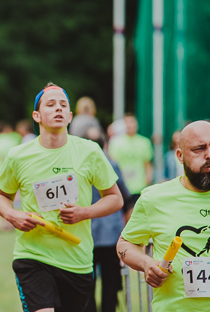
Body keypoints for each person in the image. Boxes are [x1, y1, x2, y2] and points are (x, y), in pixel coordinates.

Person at [0, 83, 123, 312]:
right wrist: (12, 215)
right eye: (51, 104)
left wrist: (85, 212)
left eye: (63, 105)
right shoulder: (18, 156)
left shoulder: (90, 151)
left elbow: (115, 198)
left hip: (77, 261)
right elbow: (1, 196)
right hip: (33, 255)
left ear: (71, 116)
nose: (58, 109)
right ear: (37, 115)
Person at [117, 120, 210, 311]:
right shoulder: (154, 198)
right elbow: (125, 244)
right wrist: (147, 264)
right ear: (180, 156)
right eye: (199, 149)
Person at [83, 127, 130, 312]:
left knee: (88, 281)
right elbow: (124, 196)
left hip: (89, 232)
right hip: (111, 232)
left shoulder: (80, 166)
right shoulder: (112, 164)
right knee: (111, 282)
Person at [108, 113, 153, 220]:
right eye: (127, 123)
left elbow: (147, 163)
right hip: (122, 186)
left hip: (138, 185)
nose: (130, 125)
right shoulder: (115, 142)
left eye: (132, 122)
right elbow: (113, 164)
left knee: (136, 215)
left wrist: (148, 179)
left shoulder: (144, 142)